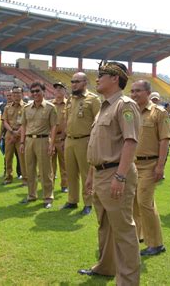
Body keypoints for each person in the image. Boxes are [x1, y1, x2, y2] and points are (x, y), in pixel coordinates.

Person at [79, 61, 141, 285]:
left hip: (116, 173)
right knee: (105, 225)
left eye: (101, 75)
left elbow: (130, 142)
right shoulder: (105, 106)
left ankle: (127, 281)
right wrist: (90, 175)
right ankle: (106, 267)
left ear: (115, 78)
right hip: (100, 174)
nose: (96, 79)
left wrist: (121, 176)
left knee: (123, 230)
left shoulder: (124, 106)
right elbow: (98, 145)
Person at [130, 80, 170, 256]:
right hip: (132, 164)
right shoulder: (129, 112)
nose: (134, 94)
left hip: (150, 164)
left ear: (148, 92)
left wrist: (160, 166)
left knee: (145, 202)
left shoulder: (159, 113)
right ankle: (137, 236)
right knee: (133, 204)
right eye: (132, 91)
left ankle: (156, 243)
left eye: (138, 91)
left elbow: (165, 140)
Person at [62, 72, 100, 215]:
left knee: (86, 173)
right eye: (72, 81)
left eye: (77, 81)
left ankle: (88, 202)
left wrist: (94, 141)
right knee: (70, 172)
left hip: (85, 140)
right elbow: (67, 120)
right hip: (70, 140)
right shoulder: (70, 99)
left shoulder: (93, 99)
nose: (74, 84)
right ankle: (72, 200)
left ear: (85, 83)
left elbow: (98, 122)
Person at [19, 82, 57, 209]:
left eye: (37, 91)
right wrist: (22, 142)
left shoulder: (50, 108)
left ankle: (48, 197)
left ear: (43, 92)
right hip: (29, 140)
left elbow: (53, 126)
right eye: (33, 91)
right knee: (30, 170)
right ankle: (31, 195)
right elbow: (23, 126)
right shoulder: (26, 108)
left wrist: (52, 144)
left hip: (43, 140)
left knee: (45, 170)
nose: (35, 94)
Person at [2, 86, 27, 186]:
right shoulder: (7, 107)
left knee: (22, 158)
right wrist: (12, 131)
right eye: (14, 93)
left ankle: (25, 179)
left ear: (22, 94)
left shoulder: (26, 107)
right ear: (12, 95)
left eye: (18, 93)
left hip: (21, 135)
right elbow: (4, 122)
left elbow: (26, 122)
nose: (16, 95)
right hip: (9, 134)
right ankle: (8, 177)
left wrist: (17, 133)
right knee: (8, 157)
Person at [51, 82, 68, 193]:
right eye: (56, 89)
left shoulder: (69, 104)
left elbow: (69, 122)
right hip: (51, 139)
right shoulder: (49, 105)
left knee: (64, 164)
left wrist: (64, 137)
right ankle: (50, 186)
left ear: (64, 91)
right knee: (50, 165)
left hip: (63, 139)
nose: (58, 90)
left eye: (61, 89)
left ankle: (64, 185)